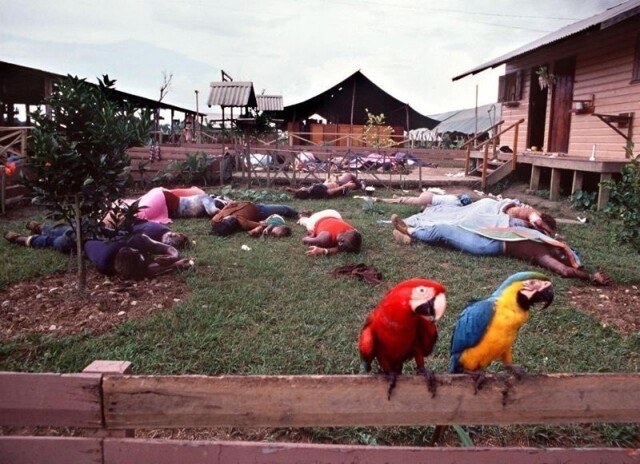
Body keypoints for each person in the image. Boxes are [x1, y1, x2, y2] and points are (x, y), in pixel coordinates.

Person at [390, 214, 611, 285]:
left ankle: (410, 231)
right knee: (453, 229)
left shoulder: (541, 252)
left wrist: (591, 276)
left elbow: (565, 271)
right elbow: (526, 220)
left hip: (488, 245)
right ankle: (412, 236)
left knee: (444, 230)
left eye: (563, 253)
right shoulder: (536, 237)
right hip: (489, 236)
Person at [4, 220, 193, 280]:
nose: (149, 257)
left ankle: (32, 231)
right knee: (54, 240)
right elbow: (145, 271)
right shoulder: (135, 242)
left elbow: (146, 270)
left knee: (57, 237)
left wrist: (174, 260)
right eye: (147, 257)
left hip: (86, 236)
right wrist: (173, 260)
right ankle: (27, 236)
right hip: (79, 237)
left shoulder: (106, 260)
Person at [210, 200, 299, 237]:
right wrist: (258, 228)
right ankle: (299, 215)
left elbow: (221, 212)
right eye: (233, 220)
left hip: (244, 202)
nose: (233, 217)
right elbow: (264, 224)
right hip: (259, 210)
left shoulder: (216, 220)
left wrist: (227, 206)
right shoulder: (243, 223)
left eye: (228, 219)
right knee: (284, 209)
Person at [285, 172, 362, 199]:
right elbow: (330, 191)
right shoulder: (316, 190)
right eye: (301, 189)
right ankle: (362, 185)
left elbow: (324, 185)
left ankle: (361, 185)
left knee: (353, 182)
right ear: (304, 190)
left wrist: (292, 190)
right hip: (340, 187)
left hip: (335, 183)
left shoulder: (310, 190)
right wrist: (345, 185)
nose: (301, 187)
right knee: (349, 176)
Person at [372, 190, 472, 209]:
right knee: (405, 201)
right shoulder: (456, 204)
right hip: (427, 199)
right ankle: (383, 200)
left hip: (429, 195)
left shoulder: (454, 197)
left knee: (411, 199)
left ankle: (396, 197)